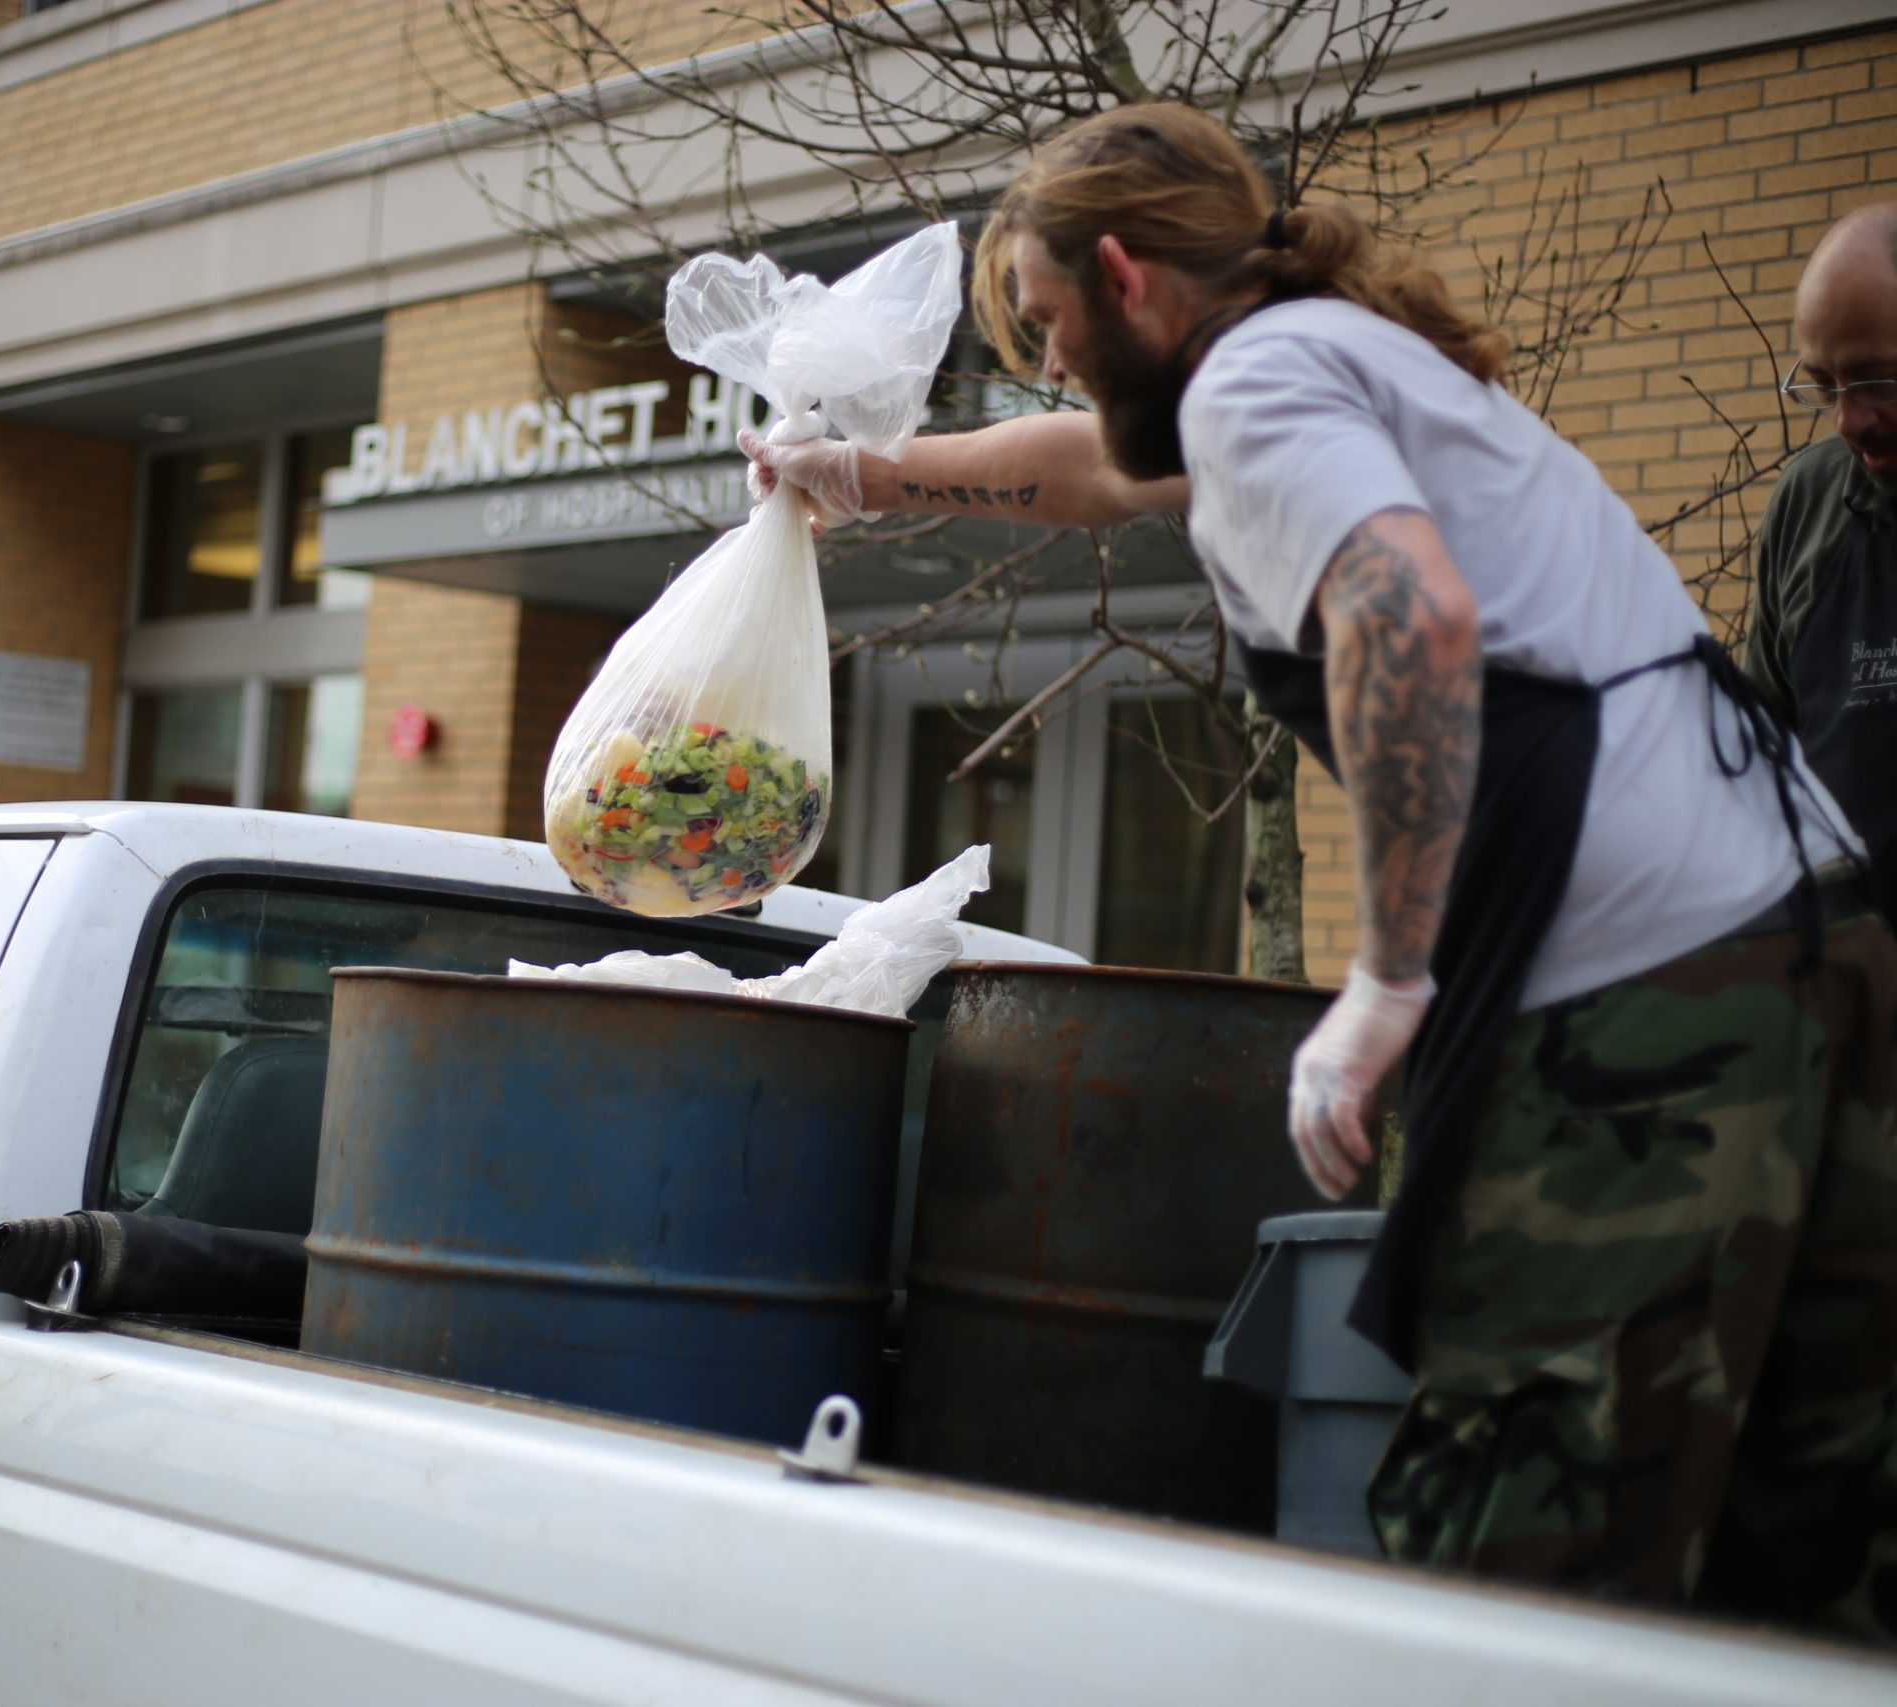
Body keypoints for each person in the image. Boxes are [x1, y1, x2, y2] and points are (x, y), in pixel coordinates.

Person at [744, 103, 1897, 1637]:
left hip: (1655, 1001)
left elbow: (1403, 613)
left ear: (1122, 273)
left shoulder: (1259, 385)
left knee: (1521, 1573)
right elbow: (1086, 467)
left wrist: (1383, 980)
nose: (1051, 360)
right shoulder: (1338, 354)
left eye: (1045, 319)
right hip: (1827, 960)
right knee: (1799, 1559)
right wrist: (867, 477)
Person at [1746, 204, 1897, 933]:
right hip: (1844, 1001)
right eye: (1824, 385)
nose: (1849, 418)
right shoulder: (1808, 502)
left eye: (1878, 381)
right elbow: (1759, 767)